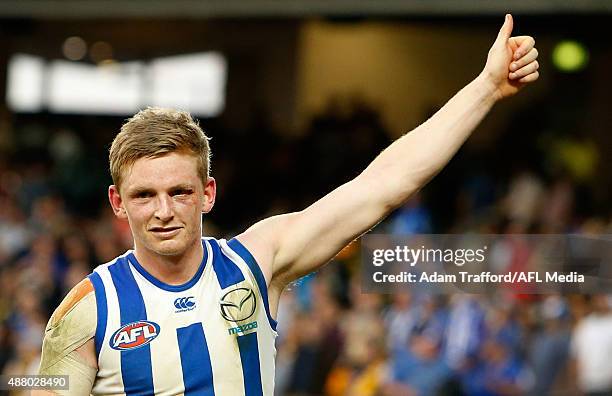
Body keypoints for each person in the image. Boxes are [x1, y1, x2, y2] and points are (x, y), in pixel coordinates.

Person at [35, 14, 539, 395]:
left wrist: (487, 88)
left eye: (180, 191)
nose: (163, 210)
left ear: (207, 193)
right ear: (117, 203)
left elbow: (383, 184)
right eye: (144, 195)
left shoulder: (258, 260)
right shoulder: (86, 310)